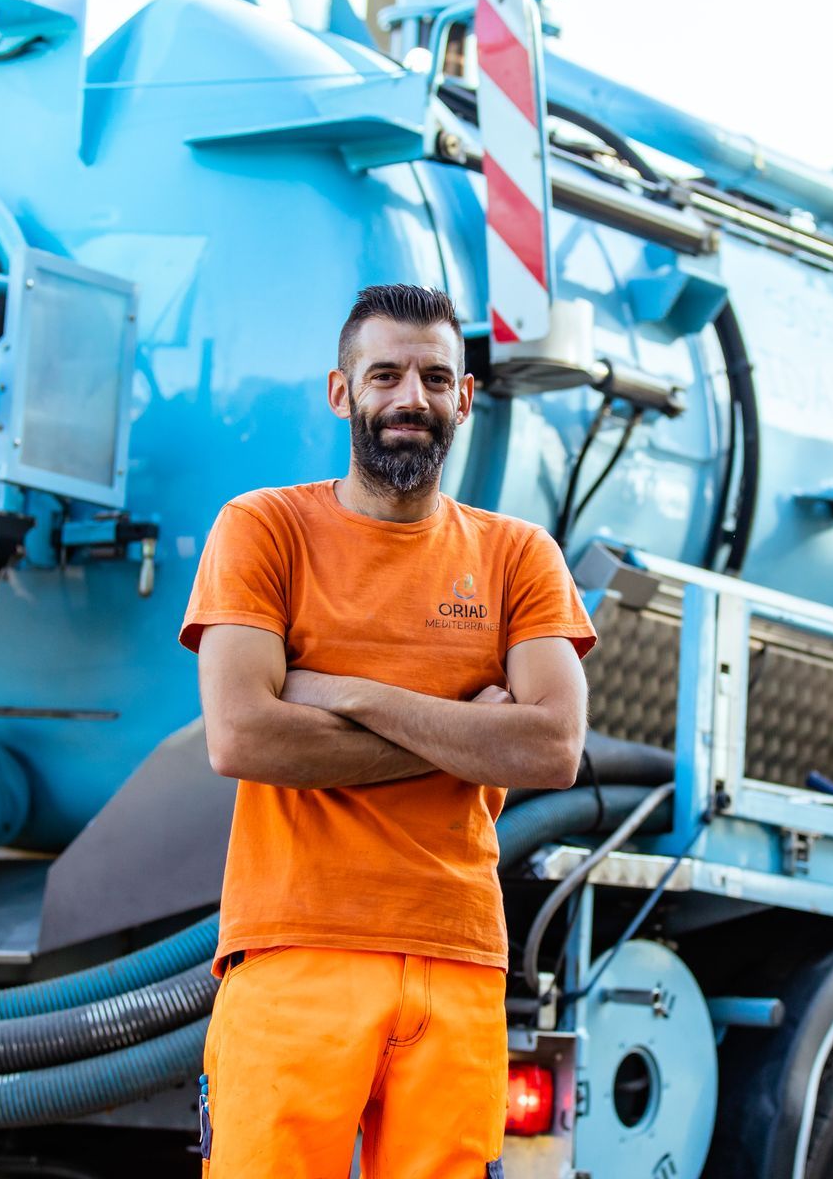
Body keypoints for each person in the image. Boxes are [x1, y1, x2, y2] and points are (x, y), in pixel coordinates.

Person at [180, 284, 597, 1177]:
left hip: (460, 959)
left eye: (436, 378)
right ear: (343, 392)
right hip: (298, 951)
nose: (412, 397)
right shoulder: (265, 531)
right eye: (387, 375)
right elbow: (244, 738)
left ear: (465, 398)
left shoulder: (519, 556)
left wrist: (349, 695)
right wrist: (466, 733)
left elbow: (552, 749)